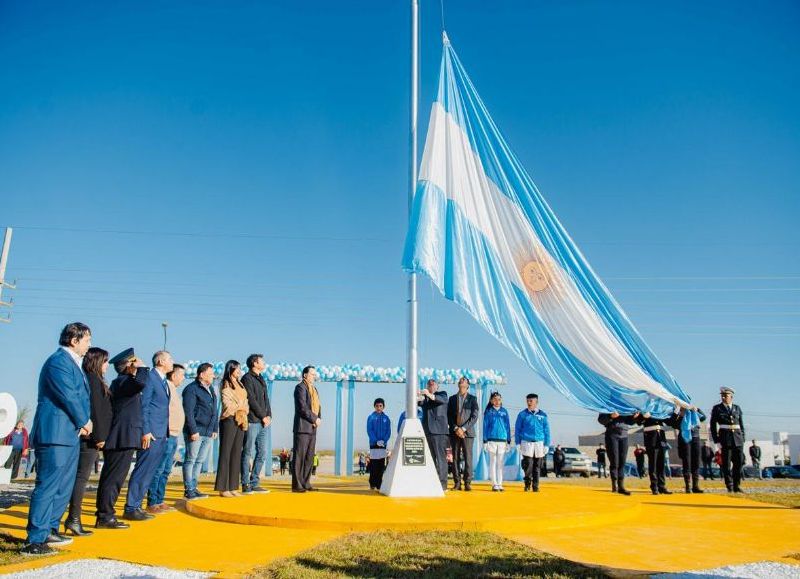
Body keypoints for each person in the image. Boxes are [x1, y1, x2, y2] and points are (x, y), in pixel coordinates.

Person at [23, 323, 93, 556]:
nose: (89, 345)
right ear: (74, 340)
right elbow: (68, 395)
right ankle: (35, 539)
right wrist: (84, 420)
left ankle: (50, 528)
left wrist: (81, 423)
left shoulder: (74, 363)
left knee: (64, 485)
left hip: (69, 434)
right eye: (87, 340)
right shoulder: (58, 362)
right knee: (48, 485)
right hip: (54, 433)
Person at [95, 348, 148, 530]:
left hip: (124, 437)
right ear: (128, 365)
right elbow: (141, 383)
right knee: (113, 479)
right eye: (134, 362)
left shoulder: (124, 382)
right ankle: (105, 516)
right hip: (121, 438)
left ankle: (106, 515)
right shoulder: (123, 382)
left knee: (114, 478)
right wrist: (141, 367)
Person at [65, 348, 111, 536]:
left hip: (92, 436)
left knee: (79, 477)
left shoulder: (94, 379)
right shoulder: (92, 380)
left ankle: (73, 518)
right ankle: (74, 518)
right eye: (105, 361)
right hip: (90, 438)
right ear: (97, 361)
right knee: (80, 478)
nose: (107, 365)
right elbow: (96, 411)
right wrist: (99, 437)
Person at [123, 351, 173, 521]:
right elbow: (143, 406)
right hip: (151, 433)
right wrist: (145, 431)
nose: (172, 362)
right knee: (143, 470)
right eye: (170, 359)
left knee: (150, 472)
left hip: (161, 433)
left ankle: (137, 505)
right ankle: (131, 507)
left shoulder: (162, 380)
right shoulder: (151, 377)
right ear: (161, 361)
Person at [146, 363, 186, 513]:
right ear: (174, 375)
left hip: (174, 435)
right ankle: (152, 502)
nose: (183, 378)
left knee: (166, 470)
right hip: (166, 434)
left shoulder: (173, 389)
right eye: (182, 375)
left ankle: (160, 500)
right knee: (159, 469)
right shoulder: (166, 387)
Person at [182, 362, 219, 500]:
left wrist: (214, 428)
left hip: (208, 432)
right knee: (191, 460)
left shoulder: (211, 389)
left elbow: (215, 411)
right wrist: (193, 430)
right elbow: (188, 412)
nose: (213, 376)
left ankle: (194, 487)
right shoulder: (191, 389)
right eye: (210, 373)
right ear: (202, 375)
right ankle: (189, 490)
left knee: (199, 461)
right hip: (196, 430)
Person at [216, 360, 249, 497]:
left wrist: (243, 408)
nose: (239, 371)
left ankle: (233, 486)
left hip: (241, 420)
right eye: (237, 369)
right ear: (231, 369)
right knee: (226, 452)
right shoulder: (225, 383)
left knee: (236, 453)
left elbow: (246, 403)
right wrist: (240, 407)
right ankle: (223, 488)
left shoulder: (241, 384)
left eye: (240, 369)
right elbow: (227, 404)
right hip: (229, 420)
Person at [241, 354, 272, 494]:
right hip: (253, 420)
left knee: (262, 452)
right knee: (247, 452)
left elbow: (266, 400)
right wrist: (262, 416)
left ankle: (254, 482)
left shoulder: (261, 378)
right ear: (255, 363)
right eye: (262, 361)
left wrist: (269, 415)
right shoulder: (247, 378)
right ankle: (245, 483)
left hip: (264, 422)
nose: (264, 363)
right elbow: (251, 399)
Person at [636, 408, 682, 495]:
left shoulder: (661, 410)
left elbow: (670, 422)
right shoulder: (645, 408)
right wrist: (644, 417)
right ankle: (654, 486)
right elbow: (638, 422)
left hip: (661, 440)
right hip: (651, 440)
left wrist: (676, 411)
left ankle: (662, 486)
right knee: (653, 464)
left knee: (661, 465)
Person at [710, 386, 746, 493]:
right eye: (722, 395)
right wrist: (716, 441)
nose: (723, 397)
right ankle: (729, 485)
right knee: (726, 464)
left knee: (738, 463)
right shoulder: (717, 408)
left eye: (726, 395)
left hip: (738, 439)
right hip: (725, 440)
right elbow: (713, 426)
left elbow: (741, 425)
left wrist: (743, 437)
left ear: (731, 397)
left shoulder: (737, 408)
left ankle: (737, 485)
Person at [292, 365, 321, 493]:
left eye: (315, 374)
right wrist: (315, 418)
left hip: (313, 427)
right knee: (300, 457)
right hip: (302, 427)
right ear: (305, 375)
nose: (314, 376)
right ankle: (297, 485)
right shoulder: (300, 388)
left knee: (309, 457)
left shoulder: (314, 389)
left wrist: (318, 419)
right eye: (312, 374)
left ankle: (306, 482)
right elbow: (302, 407)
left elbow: (318, 406)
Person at [447, 377, 479, 491]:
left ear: (468, 385)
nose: (462, 383)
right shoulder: (452, 399)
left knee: (468, 458)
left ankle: (467, 482)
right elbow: (449, 415)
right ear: (458, 385)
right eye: (460, 381)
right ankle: (457, 483)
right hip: (455, 432)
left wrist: (463, 428)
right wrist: (456, 428)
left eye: (464, 381)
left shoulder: (473, 399)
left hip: (468, 433)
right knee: (455, 458)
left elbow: (474, 416)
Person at [515, 393, 550, 492]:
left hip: (539, 443)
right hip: (527, 443)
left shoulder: (543, 415)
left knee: (537, 466)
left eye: (531, 401)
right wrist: (517, 443)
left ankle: (536, 486)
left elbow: (547, 431)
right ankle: (527, 484)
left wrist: (546, 444)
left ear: (536, 402)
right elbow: (517, 429)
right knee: (528, 465)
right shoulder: (522, 415)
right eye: (527, 401)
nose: (529, 403)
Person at [597, 411, 640, 495]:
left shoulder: (624, 406)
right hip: (612, 434)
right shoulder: (607, 405)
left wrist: (634, 417)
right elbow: (601, 419)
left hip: (624, 435)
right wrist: (610, 416)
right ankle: (615, 485)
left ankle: (621, 486)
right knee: (614, 461)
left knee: (622, 462)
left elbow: (629, 421)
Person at [673, 406, 707, 493]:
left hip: (695, 437)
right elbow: (674, 424)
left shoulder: (694, 412)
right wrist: (680, 413)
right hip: (685, 439)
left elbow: (703, 417)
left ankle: (695, 486)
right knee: (687, 462)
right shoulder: (680, 414)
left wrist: (697, 409)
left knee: (696, 462)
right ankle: (688, 486)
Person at [483, 391, 511, 492]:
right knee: (493, 462)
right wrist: (485, 441)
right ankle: (494, 483)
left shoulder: (504, 411)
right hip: (491, 440)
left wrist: (508, 441)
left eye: (499, 399)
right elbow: (485, 426)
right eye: (495, 399)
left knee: (500, 463)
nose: (497, 401)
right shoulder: (488, 412)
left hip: (502, 440)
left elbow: (507, 426)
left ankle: (500, 483)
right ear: (491, 401)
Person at [366, 398, 391, 491]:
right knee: (374, 465)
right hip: (374, 445)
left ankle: (379, 484)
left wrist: (384, 441)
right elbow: (369, 430)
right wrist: (376, 441)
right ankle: (372, 483)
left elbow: (388, 431)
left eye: (380, 406)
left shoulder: (386, 418)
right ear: (374, 406)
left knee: (381, 465)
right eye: (377, 406)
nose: (379, 407)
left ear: (383, 407)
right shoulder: (371, 417)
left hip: (383, 445)